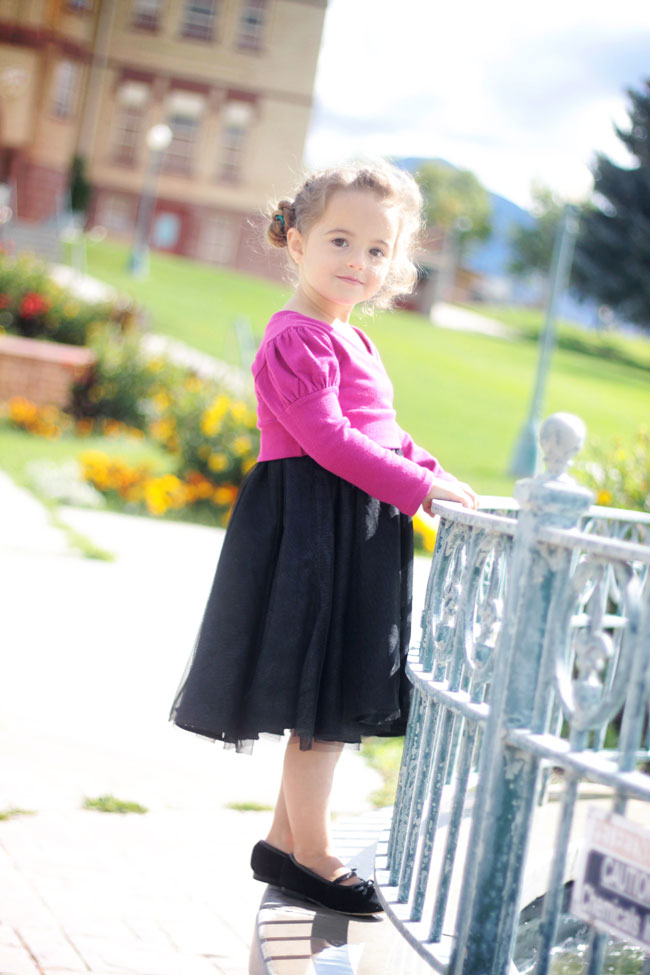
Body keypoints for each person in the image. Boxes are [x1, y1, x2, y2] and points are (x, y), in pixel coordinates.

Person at [169, 160, 478, 915]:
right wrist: (417, 489)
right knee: (325, 699)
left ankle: (283, 839)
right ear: (298, 242)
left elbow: (383, 431)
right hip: (311, 527)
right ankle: (313, 852)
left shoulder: (357, 343)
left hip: (356, 526)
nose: (358, 262)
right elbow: (330, 439)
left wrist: (439, 477)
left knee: (329, 694)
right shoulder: (294, 340)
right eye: (341, 240)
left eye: (377, 250)